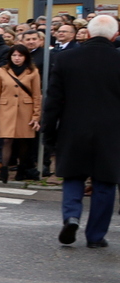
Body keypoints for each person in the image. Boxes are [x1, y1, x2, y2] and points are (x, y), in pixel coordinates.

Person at [44, 14, 120, 248]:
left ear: (86, 33)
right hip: (111, 131)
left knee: (73, 176)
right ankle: (96, 236)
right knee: (105, 183)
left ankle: (72, 216)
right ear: (115, 35)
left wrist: (48, 134)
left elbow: (53, 101)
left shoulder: (66, 59)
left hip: (73, 128)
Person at [0, 43, 41, 182]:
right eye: (14, 55)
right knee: (7, 139)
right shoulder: (2, 71)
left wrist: (36, 115)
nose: (17, 58)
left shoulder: (33, 72)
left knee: (23, 141)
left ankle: (21, 169)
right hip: (6, 109)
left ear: (26, 57)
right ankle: (4, 170)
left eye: (20, 55)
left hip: (25, 109)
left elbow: (36, 94)